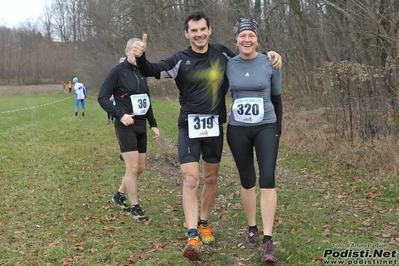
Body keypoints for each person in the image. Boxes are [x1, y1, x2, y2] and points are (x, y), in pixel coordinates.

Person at [131, 11, 282, 261]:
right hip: (188, 125)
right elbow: (151, 70)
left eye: (203, 29)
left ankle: (203, 223)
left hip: (214, 125)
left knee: (211, 179)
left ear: (209, 30)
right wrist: (141, 55)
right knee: (191, 179)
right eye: (194, 30)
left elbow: (249, 58)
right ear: (186, 34)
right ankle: (192, 234)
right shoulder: (180, 59)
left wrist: (272, 55)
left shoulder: (223, 54)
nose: (199, 34)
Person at [226, 18, 282, 263]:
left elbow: (277, 97)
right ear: (236, 39)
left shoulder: (271, 61)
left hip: (266, 126)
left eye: (251, 35)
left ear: (257, 38)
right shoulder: (228, 64)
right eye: (242, 35)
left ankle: (268, 239)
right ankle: (252, 228)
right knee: (247, 179)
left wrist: (278, 128)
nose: (246, 39)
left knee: (267, 178)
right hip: (238, 128)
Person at [97, 38, 160, 222]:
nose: (137, 54)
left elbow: (145, 99)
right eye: (134, 50)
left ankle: (118, 195)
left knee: (140, 167)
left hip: (141, 125)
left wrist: (153, 123)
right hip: (126, 125)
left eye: (140, 51)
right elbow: (102, 97)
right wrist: (119, 114)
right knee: (132, 167)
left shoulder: (142, 71)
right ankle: (134, 207)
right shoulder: (117, 71)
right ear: (127, 51)